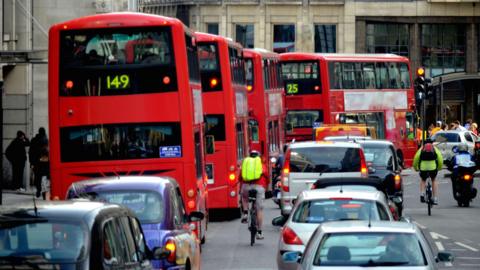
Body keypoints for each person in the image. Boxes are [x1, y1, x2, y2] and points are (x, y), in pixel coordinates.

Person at [239, 150, 268, 240]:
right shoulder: (262, 165)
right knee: (259, 210)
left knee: (244, 198)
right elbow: (267, 177)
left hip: (246, 186)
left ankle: (245, 213)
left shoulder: (245, 164)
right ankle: (259, 232)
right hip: (259, 187)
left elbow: (240, 177)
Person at [413, 139, 443, 205]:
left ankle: (422, 194)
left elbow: (416, 158)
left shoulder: (422, 148)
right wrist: (439, 167)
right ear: (432, 143)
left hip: (423, 168)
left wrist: (415, 168)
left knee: (423, 180)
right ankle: (435, 199)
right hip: (433, 167)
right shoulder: (434, 148)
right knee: (433, 180)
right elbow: (440, 159)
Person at [29, 127, 49, 198]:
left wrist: (31, 162)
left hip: (36, 161)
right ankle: (44, 191)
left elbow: (30, 152)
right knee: (44, 177)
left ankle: (38, 189)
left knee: (37, 176)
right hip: (45, 161)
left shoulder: (34, 140)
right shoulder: (46, 140)